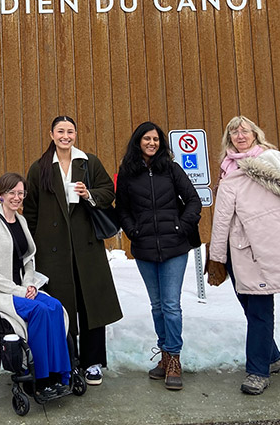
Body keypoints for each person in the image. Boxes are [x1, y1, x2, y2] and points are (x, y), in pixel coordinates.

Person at [205, 116, 280, 395]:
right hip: (235, 248)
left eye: (244, 131)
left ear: (255, 134)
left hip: (262, 249)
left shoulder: (273, 162)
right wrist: (217, 256)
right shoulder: (229, 168)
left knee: (260, 310)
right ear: (228, 139)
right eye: (233, 132)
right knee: (250, 307)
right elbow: (221, 220)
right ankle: (272, 357)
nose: (239, 135)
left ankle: (257, 371)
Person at [23, 115, 122, 386]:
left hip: (86, 246)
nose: (65, 136)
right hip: (52, 250)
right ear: (51, 134)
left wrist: (88, 193)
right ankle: (68, 359)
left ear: (76, 134)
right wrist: (31, 245)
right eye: (60, 131)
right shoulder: (39, 167)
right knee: (62, 305)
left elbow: (108, 192)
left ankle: (92, 362)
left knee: (91, 304)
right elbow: (31, 210)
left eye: (70, 131)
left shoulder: (88, 162)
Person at [115, 121, 203, 391]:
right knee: (156, 306)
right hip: (145, 249)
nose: (151, 143)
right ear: (138, 142)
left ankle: (174, 358)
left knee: (171, 305)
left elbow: (193, 201)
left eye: (155, 139)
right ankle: (164, 356)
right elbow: (122, 209)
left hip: (174, 248)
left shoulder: (171, 169)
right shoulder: (128, 173)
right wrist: (133, 230)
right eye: (146, 139)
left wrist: (181, 227)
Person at [0, 173, 71, 397]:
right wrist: (17, 289)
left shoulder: (21, 220)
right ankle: (39, 377)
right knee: (39, 311)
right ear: (1, 195)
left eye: (20, 193)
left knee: (55, 307)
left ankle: (60, 373)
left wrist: (29, 284)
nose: (16, 197)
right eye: (11, 193)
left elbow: (28, 260)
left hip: (22, 288)